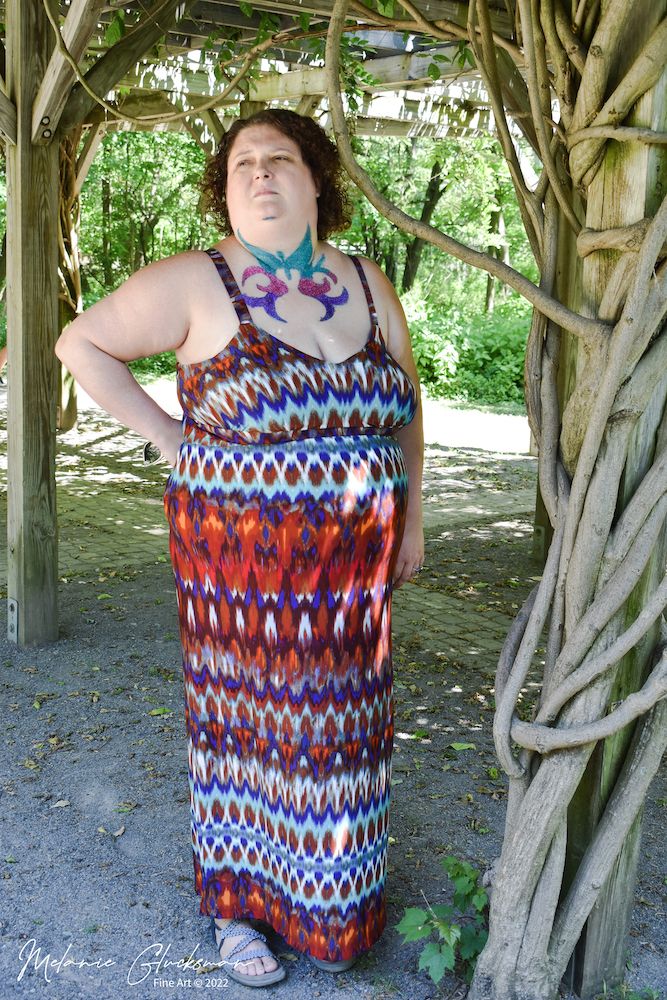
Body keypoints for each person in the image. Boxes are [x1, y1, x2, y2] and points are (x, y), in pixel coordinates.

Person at [55, 108, 424, 987]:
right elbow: (82, 343)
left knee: (347, 729)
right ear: (222, 189)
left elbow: (406, 407)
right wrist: (173, 439)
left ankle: (333, 907)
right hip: (241, 570)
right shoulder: (197, 281)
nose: (260, 174)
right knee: (250, 729)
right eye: (241, 164)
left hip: (351, 578)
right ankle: (240, 911)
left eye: (280, 159)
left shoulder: (369, 283)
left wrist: (411, 518)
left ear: (317, 179)